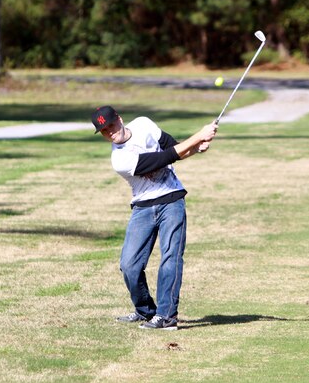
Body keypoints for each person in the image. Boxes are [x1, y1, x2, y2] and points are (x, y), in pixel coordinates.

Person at [91, 105, 217, 330]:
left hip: (172, 199)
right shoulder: (119, 159)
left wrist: (197, 148)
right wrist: (198, 136)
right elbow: (166, 157)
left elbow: (175, 148)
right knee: (129, 265)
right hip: (143, 207)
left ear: (119, 119)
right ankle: (145, 310)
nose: (110, 131)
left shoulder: (143, 124)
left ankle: (167, 316)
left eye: (111, 125)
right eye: (104, 130)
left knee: (171, 258)